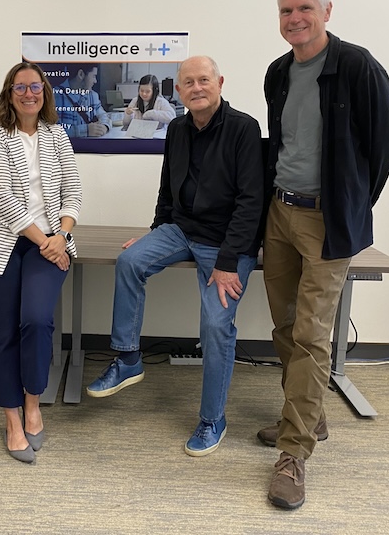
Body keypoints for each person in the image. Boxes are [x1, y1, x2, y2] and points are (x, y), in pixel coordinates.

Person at [259, 0, 389, 509]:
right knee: (285, 325)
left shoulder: (358, 67)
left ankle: (293, 453)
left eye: (304, 9)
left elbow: (381, 150)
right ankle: (309, 416)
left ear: (327, 11)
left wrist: (350, 205)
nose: (295, 19)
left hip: (326, 220)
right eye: (286, 11)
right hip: (279, 213)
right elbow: (281, 142)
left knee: (313, 335)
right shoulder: (278, 72)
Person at [86, 56, 264, 457]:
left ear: (220, 82)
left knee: (215, 325)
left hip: (226, 243)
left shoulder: (243, 128)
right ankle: (128, 358)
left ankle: (212, 419)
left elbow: (251, 202)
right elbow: (168, 187)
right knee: (130, 261)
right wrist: (156, 233)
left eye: (204, 80)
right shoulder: (179, 128)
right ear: (179, 90)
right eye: (189, 82)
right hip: (181, 229)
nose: (197, 88)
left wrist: (228, 262)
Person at [0, 62, 82, 464]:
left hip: (49, 244)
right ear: (9, 93)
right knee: (5, 332)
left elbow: (73, 191)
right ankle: (12, 420)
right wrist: (47, 241)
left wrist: (61, 236)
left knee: (36, 321)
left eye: (35, 87)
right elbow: (0, 196)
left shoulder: (56, 135)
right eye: (20, 87)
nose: (29, 93)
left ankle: (33, 403)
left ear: (44, 92)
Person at [54, 64, 112, 138]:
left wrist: (104, 126)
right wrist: (85, 130)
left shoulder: (93, 95)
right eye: (93, 76)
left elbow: (104, 116)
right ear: (81, 74)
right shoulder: (55, 97)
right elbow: (52, 131)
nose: (95, 81)